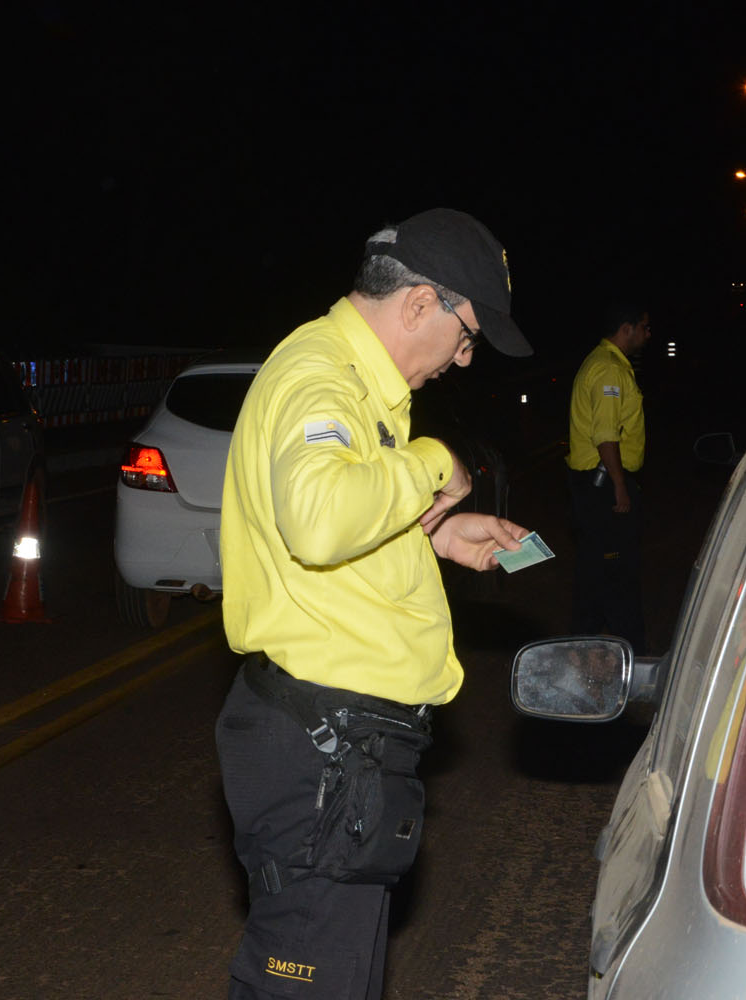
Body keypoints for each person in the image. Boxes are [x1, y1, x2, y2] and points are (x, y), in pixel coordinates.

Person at [215, 208, 533, 1000]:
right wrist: (431, 462)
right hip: (320, 744)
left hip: (342, 745)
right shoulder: (321, 376)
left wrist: (437, 538)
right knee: (305, 983)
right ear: (420, 303)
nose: (462, 360)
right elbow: (319, 521)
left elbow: (334, 534)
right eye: (466, 337)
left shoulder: (359, 386)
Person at [565, 300, 652, 651]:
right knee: (617, 573)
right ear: (626, 328)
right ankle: (635, 654)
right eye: (645, 326)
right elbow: (605, 435)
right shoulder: (609, 371)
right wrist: (619, 486)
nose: (648, 334)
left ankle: (576, 645)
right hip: (602, 486)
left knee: (596, 571)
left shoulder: (605, 363)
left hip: (594, 484)